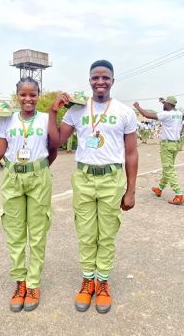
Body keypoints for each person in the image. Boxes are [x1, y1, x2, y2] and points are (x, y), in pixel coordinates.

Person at [48, 60, 138, 314]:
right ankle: (88, 280)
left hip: (112, 179)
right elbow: (56, 140)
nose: (100, 81)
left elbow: (131, 153)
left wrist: (131, 190)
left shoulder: (124, 112)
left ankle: (103, 282)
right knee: (87, 233)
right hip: (84, 178)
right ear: (89, 81)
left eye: (105, 77)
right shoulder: (77, 111)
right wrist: (53, 111)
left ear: (112, 80)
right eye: (96, 77)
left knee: (107, 234)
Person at [0, 76, 56, 312]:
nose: (28, 99)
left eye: (33, 94)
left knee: (38, 232)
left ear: (38, 96)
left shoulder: (45, 119)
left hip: (38, 178)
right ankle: (20, 282)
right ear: (17, 96)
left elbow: (53, 150)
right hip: (12, 178)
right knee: (15, 233)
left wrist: (38, 169)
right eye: (23, 94)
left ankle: (33, 284)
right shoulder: (6, 120)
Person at [134, 96, 184, 204]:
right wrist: (164, 101)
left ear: (169, 105)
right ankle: (160, 189)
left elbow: (146, 115)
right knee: (167, 168)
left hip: (167, 145)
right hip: (175, 144)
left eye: (165, 103)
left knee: (168, 169)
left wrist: (138, 107)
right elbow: (172, 107)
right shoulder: (179, 113)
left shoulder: (165, 115)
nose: (163, 105)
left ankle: (179, 194)